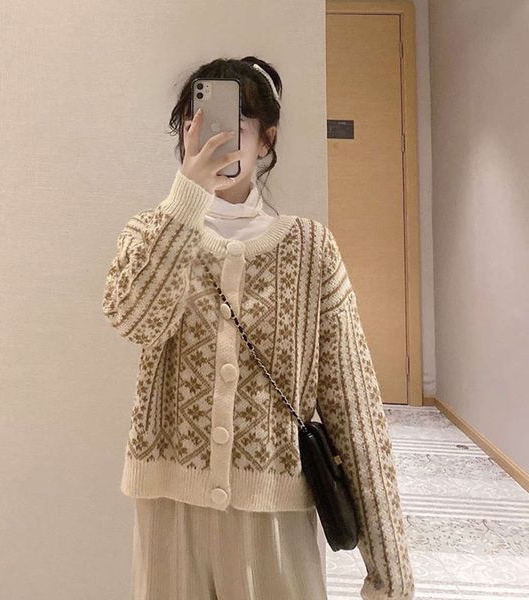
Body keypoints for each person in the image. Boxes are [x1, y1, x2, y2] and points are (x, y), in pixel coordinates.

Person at [102, 56, 415, 600]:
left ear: (267, 139)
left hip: (276, 514)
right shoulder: (151, 233)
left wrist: (390, 571)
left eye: (231, 124)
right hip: (170, 511)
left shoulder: (310, 250)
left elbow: (355, 410)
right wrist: (185, 198)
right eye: (195, 124)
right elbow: (135, 318)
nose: (209, 138)